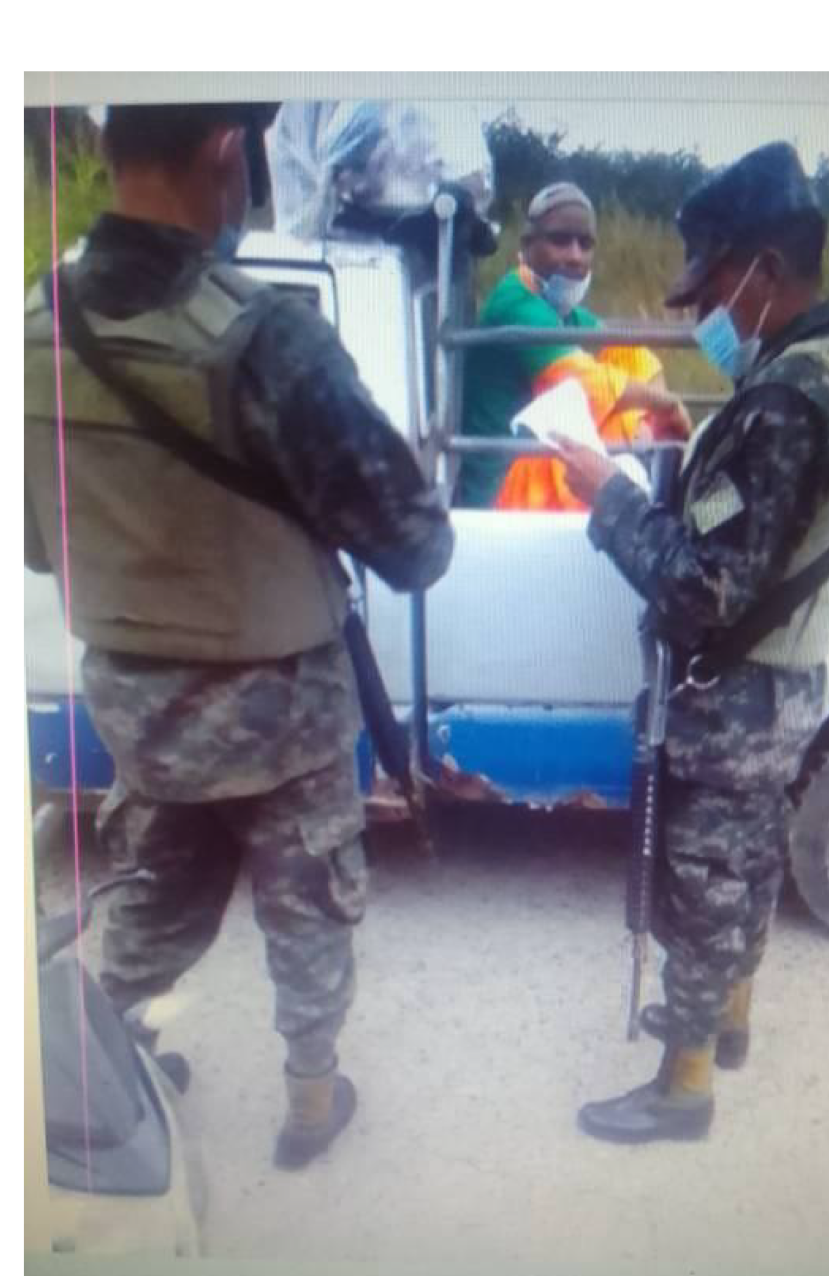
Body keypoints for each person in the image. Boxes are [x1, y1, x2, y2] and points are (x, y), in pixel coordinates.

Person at [23, 103, 454, 1170]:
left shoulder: (34, 328)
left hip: (142, 713)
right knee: (306, 907)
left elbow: (39, 543)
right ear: (226, 152)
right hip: (283, 715)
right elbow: (413, 547)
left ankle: (103, 1072)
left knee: (154, 894)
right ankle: (311, 1102)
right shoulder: (269, 337)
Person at [554, 143, 829, 1144]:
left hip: (733, 691)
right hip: (781, 682)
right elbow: (758, 526)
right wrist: (686, 438)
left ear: (761, 269)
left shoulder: (789, 400)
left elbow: (704, 584)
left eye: (713, 285)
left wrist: (609, 495)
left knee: (705, 882)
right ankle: (733, 1026)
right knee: (744, 866)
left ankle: (684, 1086)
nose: (703, 310)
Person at [457, 181, 689, 510]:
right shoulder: (517, 303)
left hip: (528, 464)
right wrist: (665, 406)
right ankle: (649, 500)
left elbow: (628, 351)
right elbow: (584, 385)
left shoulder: (557, 309)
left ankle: (650, 483)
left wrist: (653, 421)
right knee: (608, 447)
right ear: (527, 245)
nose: (575, 256)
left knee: (624, 375)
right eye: (560, 240)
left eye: (585, 243)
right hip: (500, 488)